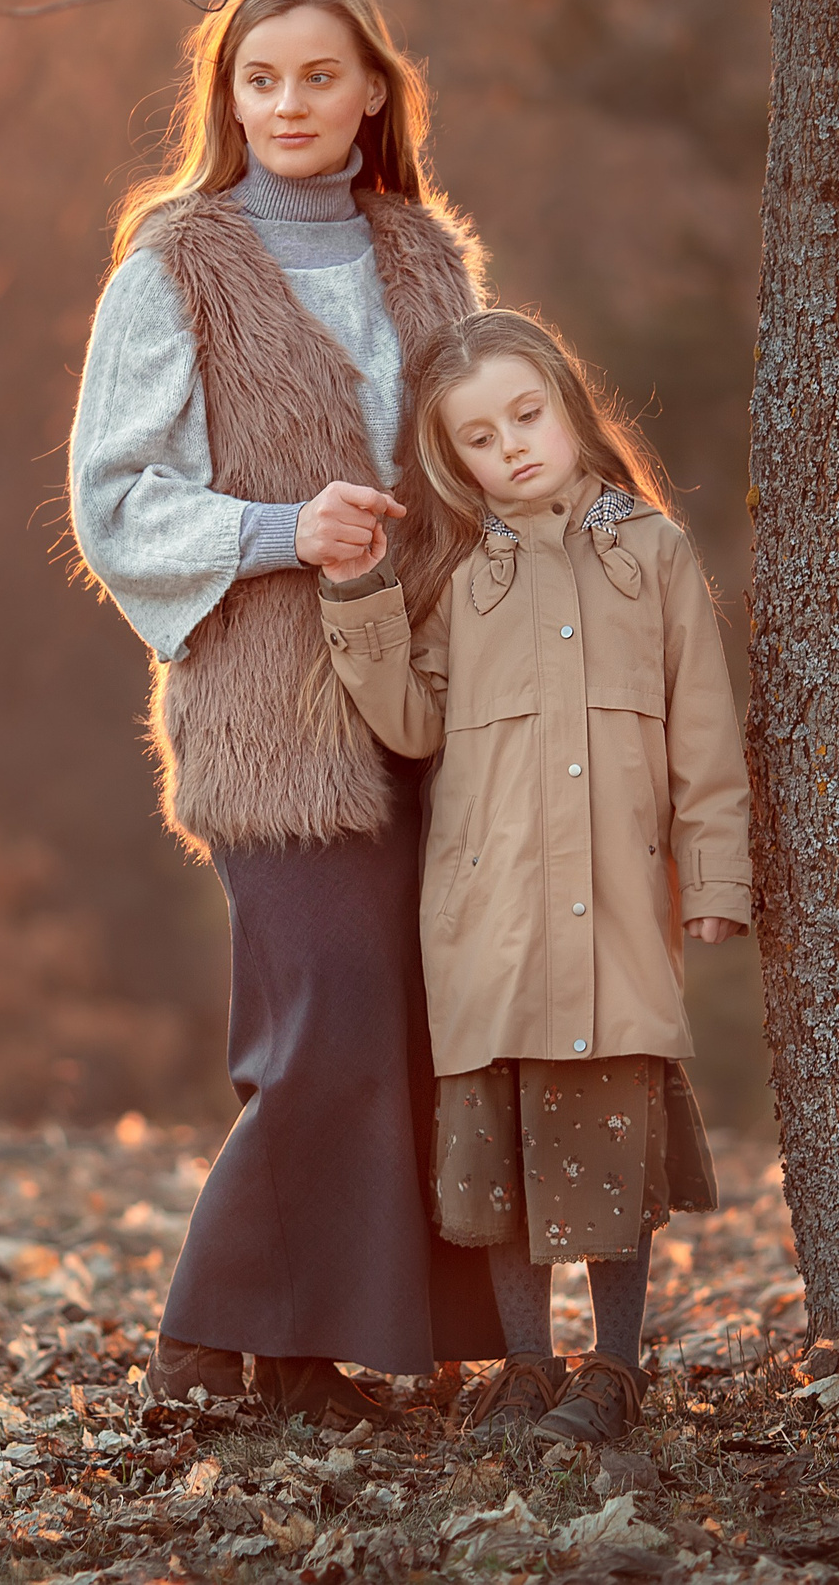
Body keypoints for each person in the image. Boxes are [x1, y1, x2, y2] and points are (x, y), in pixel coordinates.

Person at [68, 0, 507, 1423]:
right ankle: (207, 1336)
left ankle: (320, 1358)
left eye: (320, 77)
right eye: (263, 81)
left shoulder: (429, 255)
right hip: (272, 706)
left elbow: (492, 444)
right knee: (325, 1013)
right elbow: (115, 502)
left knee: (429, 1018)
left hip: (441, 691)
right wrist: (275, 532)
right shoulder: (175, 264)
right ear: (229, 99)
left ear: (373, 89)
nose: (291, 104)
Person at [313, 307, 752, 1446]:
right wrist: (358, 598)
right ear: (447, 460)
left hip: (612, 915)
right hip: (489, 919)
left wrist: (715, 877)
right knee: (501, 1157)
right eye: (476, 437)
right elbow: (411, 727)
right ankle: (524, 1366)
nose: (510, 446)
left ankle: (611, 1369)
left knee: (609, 1148)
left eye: (526, 415)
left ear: (567, 408)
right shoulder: (458, 573)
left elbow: (704, 734)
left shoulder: (648, 553)